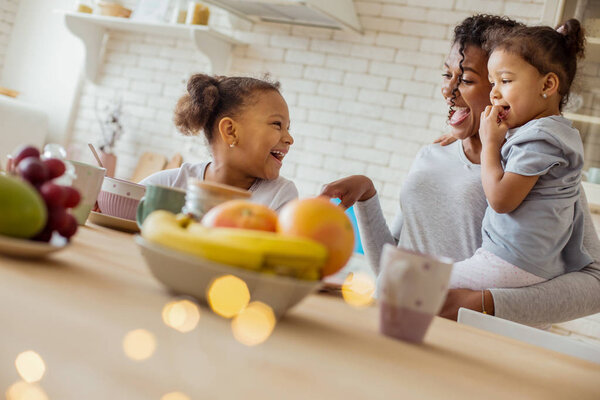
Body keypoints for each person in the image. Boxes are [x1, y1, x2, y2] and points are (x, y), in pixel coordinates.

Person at [321, 15, 600, 325]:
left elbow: (595, 283)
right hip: (409, 330)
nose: (448, 90)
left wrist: (483, 304)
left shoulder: (538, 167)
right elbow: (394, 272)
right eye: (447, 74)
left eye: (466, 79)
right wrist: (366, 197)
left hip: (487, 347)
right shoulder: (432, 157)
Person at [449, 19, 590, 290]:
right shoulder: (550, 133)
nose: (494, 93)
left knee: (409, 280)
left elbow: (501, 200)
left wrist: (490, 144)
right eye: (492, 83)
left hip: (511, 262)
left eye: (505, 80)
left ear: (548, 85)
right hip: (521, 263)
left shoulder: (542, 139)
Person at [141, 74, 298, 212]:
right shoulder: (168, 185)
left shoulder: (281, 196)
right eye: (277, 124)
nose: (289, 139)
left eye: (288, 128)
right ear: (230, 131)